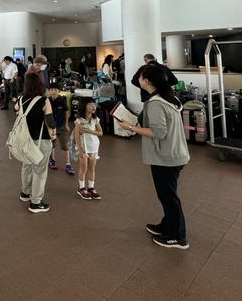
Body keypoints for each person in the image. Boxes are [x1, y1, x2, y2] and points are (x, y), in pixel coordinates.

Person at [116, 64, 190, 249]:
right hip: (173, 153)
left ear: (147, 80)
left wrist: (130, 128)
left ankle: (177, 237)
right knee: (167, 194)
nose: (137, 79)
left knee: (168, 196)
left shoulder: (156, 103)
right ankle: (167, 225)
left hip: (166, 156)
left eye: (140, 76)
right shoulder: (168, 98)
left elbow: (158, 132)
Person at [16, 74, 56, 213]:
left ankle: (25, 193)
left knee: (26, 166)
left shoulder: (21, 99)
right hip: (41, 140)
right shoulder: (44, 101)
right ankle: (36, 203)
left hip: (25, 140)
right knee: (39, 171)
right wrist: (54, 132)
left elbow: (16, 109)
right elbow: (50, 122)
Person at [73, 98, 103, 200]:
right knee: (83, 168)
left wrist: (90, 131)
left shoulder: (95, 119)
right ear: (84, 106)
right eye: (90, 104)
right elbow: (76, 136)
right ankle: (81, 188)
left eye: (94, 104)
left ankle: (91, 187)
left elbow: (100, 133)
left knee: (92, 168)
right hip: (84, 148)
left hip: (94, 147)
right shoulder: (79, 120)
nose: (94, 106)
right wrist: (80, 149)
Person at [48, 83, 75, 175]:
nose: (53, 92)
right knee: (52, 145)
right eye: (51, 90)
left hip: (61, 126)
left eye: (55, 90)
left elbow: (66, 112)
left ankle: (68, 164)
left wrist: (67, 124)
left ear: (59, 91)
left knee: (65, 145)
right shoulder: (47, 101)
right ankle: (52, 160)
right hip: (51, 127)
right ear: (49, 91)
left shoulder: (62, 100)